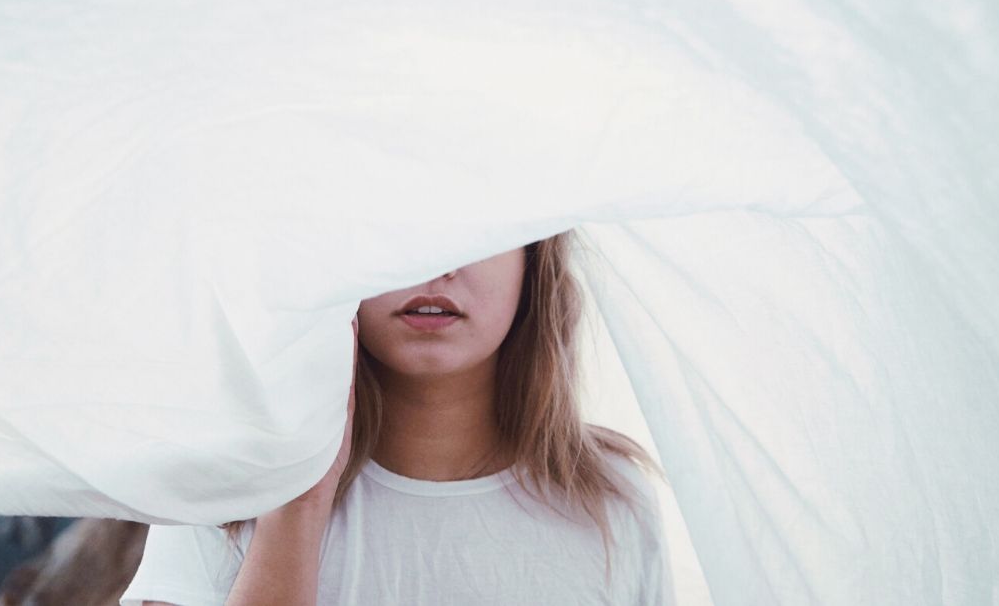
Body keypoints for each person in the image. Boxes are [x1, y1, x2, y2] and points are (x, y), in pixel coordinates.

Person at [120, 230, 675, 605]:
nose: (437, 265)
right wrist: (297, 507)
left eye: (478, 229)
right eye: (398, 230)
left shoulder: (612, 503)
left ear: (534, 258)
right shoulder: (227, 484)